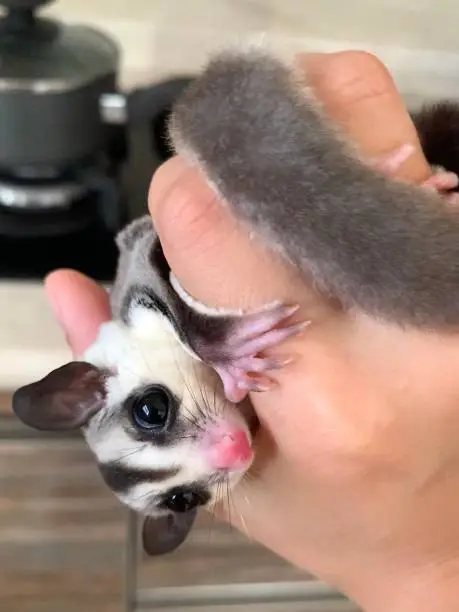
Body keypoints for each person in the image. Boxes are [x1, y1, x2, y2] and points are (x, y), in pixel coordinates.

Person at [45, 51, 459, 611]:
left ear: (92, 380)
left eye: (153, 414)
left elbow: (155, 265)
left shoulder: (135, 328)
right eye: (191, 491)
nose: (221, 452)